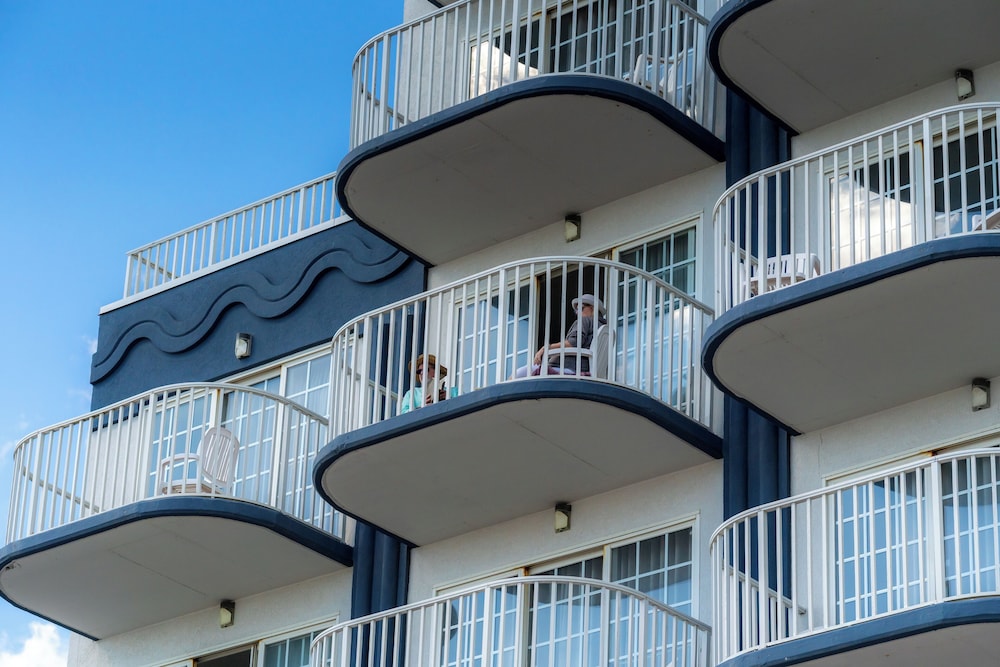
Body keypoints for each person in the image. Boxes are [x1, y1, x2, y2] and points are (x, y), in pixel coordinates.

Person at [512, 294, 606, 378]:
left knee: (517, 374)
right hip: (584, 369)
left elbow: (574, 342)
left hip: (569, 368)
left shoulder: (585, 320)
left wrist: (547, 348)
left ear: (592, 309)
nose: (577, 312)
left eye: (581, 307)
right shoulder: (602, 328)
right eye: (576, 310)